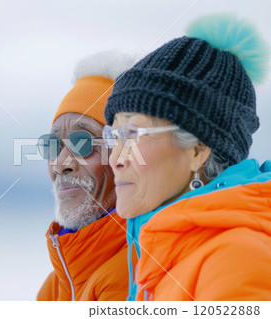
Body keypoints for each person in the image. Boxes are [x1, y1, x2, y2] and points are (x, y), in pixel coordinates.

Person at [103, 14, 271, 301]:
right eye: (114, 136)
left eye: (132, 134)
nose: (115, 158)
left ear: (198, 149)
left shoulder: (236, 258)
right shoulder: (157, 251)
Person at [36, 51, 136, 300]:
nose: (60, 164)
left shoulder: (133, 278)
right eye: (52, 145)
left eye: (82, 143)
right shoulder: (58, 284)